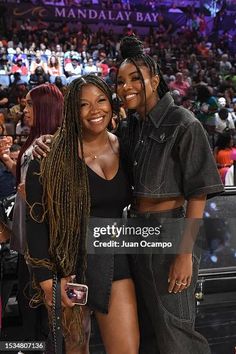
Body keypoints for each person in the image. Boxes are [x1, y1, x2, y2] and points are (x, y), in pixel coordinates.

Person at [116, 36, 224, 354]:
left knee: (176, 332)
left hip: (170, 233)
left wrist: (184, 255)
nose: (126, 87)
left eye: (135, 78)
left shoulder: (183, 123)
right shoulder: (132, 127)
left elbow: (198, 194)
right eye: (120, 81)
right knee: (148, 327)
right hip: (135, 230)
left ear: (154, 79)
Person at [25, 75, 139, 354]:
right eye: (83, 104)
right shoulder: (50, 153)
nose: (95, 110)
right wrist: (46, 279)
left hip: (115, 259)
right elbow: (36, 221)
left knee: (126, 349)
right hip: (69, 266)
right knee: (76, 347)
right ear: (71, 111)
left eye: (101, 100)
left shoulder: (124, 145)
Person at [0, 83, 64, 346]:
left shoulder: (52, 143)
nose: (24, 110)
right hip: (29, 240)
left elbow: (50, 194)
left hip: (44, 243)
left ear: (45, 108)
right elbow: (26, 183)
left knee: (45, 314)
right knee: (33, 311)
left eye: (29, 104)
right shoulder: (36, 141)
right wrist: (8, 161)